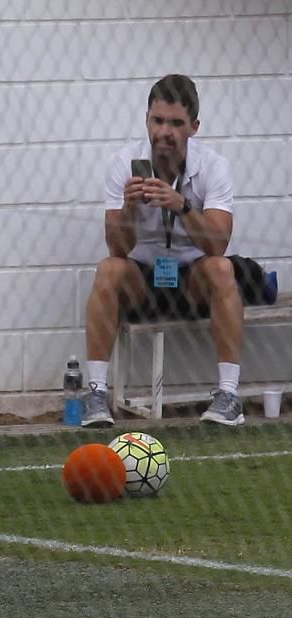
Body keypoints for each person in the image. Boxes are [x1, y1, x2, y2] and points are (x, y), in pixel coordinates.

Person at [82, 74, 245, 428]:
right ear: (146, 120)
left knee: (221, 268)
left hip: (192, 279)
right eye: (157, 121)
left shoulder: (214, 166)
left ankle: (230, 394)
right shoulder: (124, 164)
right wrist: (129, 210)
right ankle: (95, 392)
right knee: (108, 268)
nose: (164, 132)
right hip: (143, 278)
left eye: (175, 123)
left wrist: (182, 206)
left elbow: (219, 244)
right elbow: (118, 248)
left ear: (194, 127)